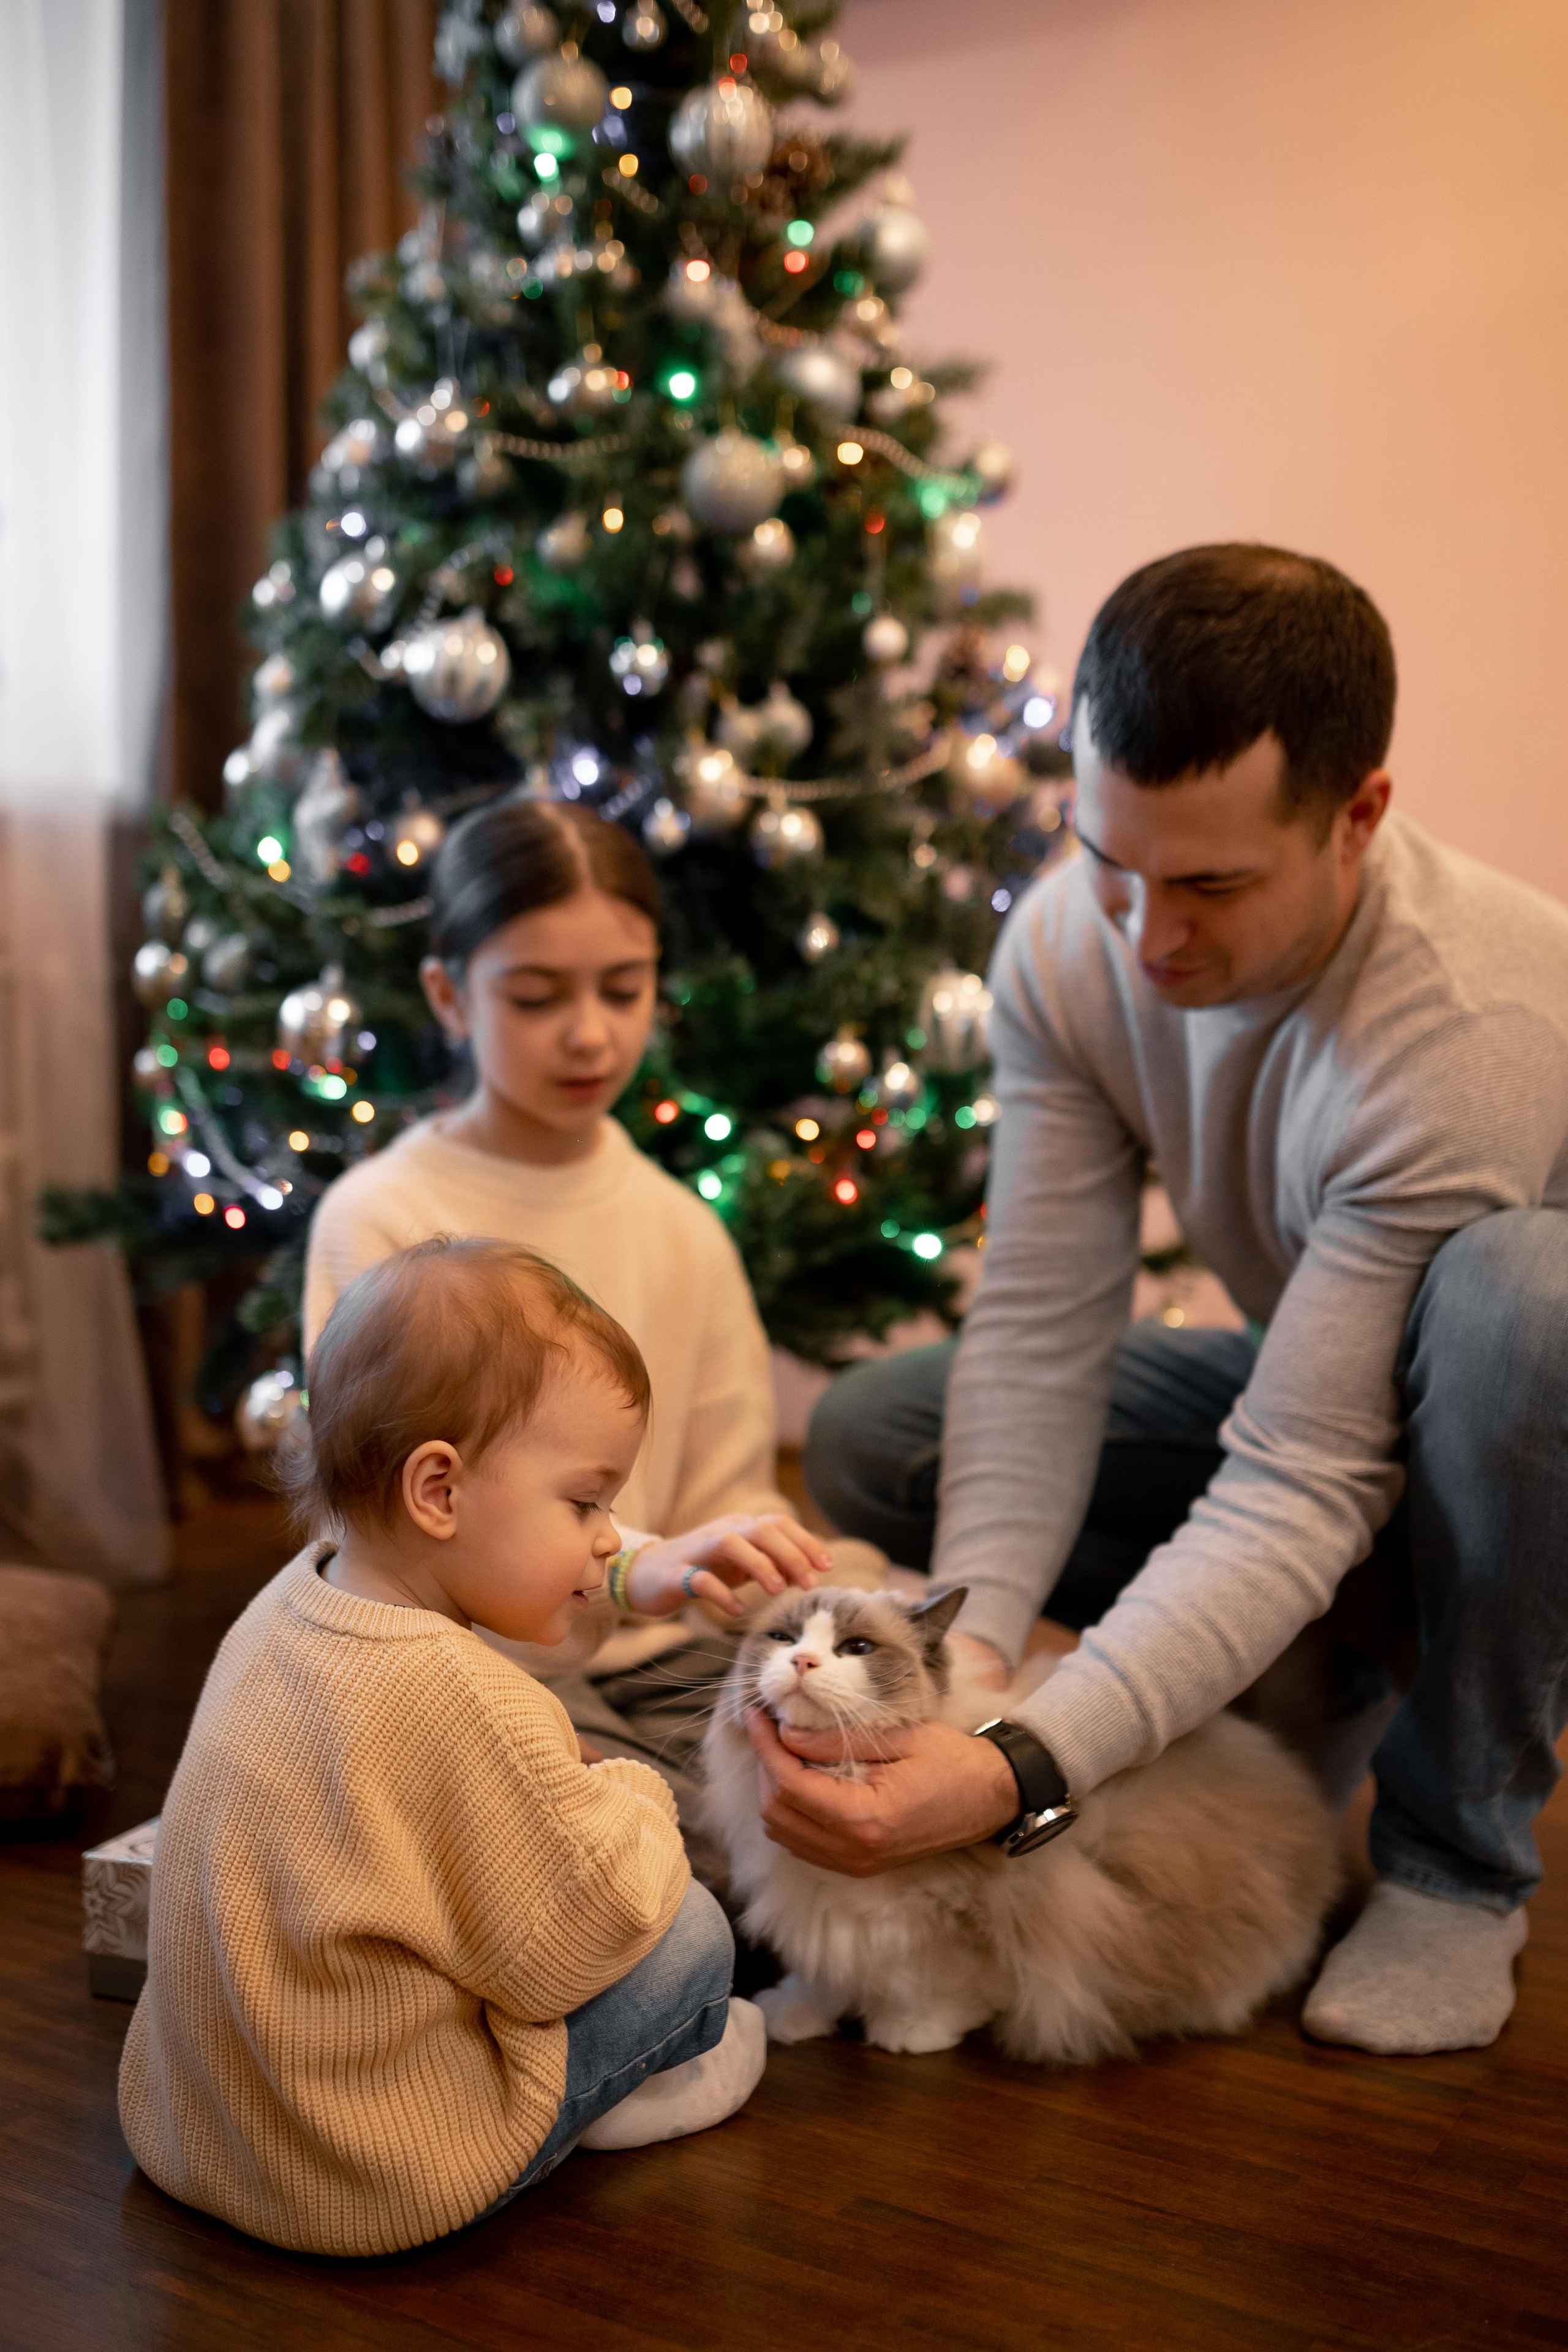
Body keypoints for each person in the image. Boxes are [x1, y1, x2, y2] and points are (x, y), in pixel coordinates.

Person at [761, 543, 1568, 2059]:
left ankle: (1454, 1859)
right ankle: (1314, 1674)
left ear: (1358, 818)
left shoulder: (1467, 1025)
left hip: (1529, 1441)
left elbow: (1300, 1473)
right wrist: (974, 1675)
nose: (1144, 937)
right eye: (1107, 861)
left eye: (1207, 884)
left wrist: (1018, 1774)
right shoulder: (1072, 949)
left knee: (1521, 1305)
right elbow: (1038, 1335)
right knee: (885, 1432)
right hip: (1338, 1385)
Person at [118, 1238, 820, 2256]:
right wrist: (627, 1790)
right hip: (364, 2173)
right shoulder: (462, 1696)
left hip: (208, 2131)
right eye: (587, 1502)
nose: (603, 1538)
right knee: (694, 1936)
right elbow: (585, 1934)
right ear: (438, 1492)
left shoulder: (286, 1605)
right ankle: (613, 2108)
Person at [303, 798, 837, 1827]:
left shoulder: (684, 1229)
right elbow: (377, 1537)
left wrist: (769, 1572)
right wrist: (634, 1567)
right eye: (539, 996)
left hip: (668, 1669)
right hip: (451, 1680)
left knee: (820, 1829)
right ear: (449, 997)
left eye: (625, 990)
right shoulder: (380, 1219)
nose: (591, 1034)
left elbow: (729, 1499)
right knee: (630, 1865)